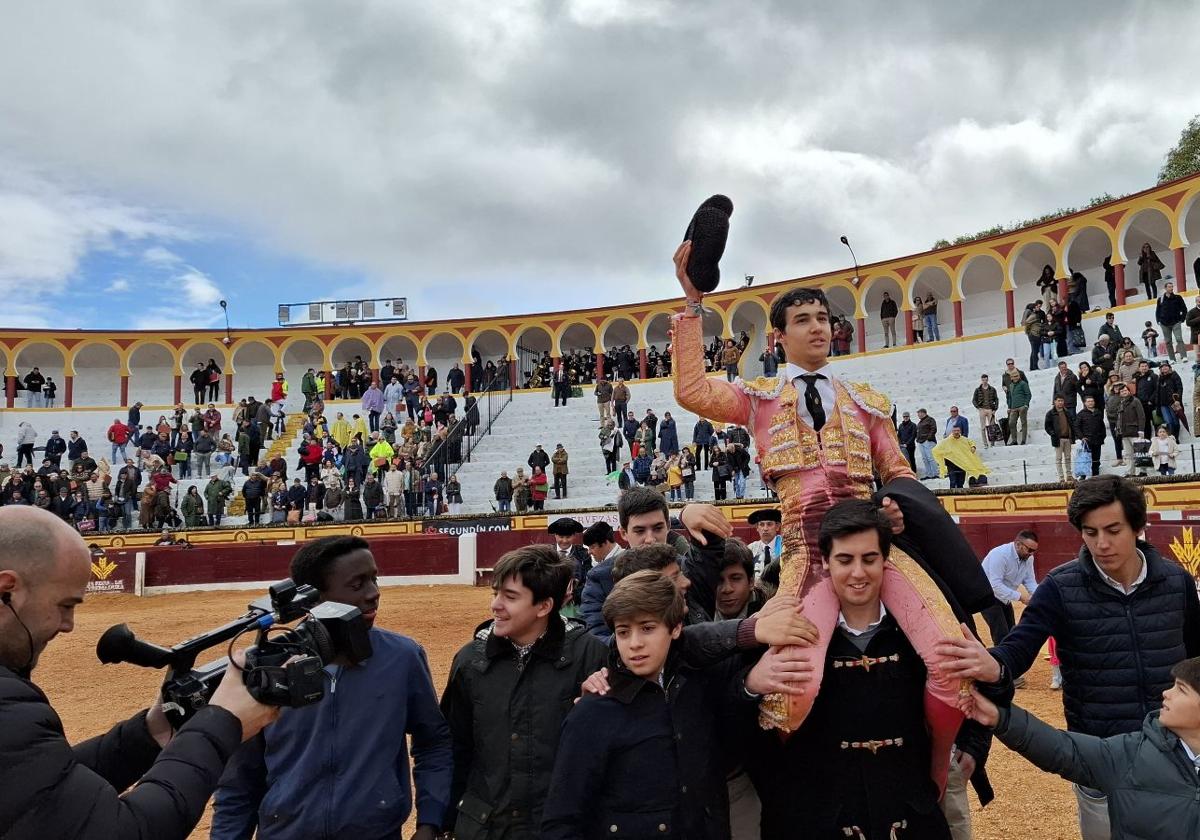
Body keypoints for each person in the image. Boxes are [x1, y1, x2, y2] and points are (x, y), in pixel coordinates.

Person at [671, 245, 995, 770]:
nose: (818, 328)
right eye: (803, 320)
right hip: (807, 555)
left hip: (873, 549)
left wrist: (894, 504)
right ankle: (793, 786)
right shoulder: (758, 398)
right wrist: (692, 305)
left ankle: (934, 775)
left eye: (823, 318)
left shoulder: (865, 401)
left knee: (951, 657)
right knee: (793, 687)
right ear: (779, 337)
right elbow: (690, 389)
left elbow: (899, 472)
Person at [937, 475, 1200, 840]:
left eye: (1113, 530)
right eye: (1090, 533)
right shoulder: (1060, 587)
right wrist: (995, 665)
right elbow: (1020, 646)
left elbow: (1195, 664)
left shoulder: (1177, 582)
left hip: (1173, 753)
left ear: (1139, 527)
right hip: (1100, 755)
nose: (1101, 544)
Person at [0, 506, 279, 840]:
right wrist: (221, 723)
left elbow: (41, 788)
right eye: (65, 605)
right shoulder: (10, 707)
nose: (68, 625)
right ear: (7, 590)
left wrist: (150, 735)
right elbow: (125, 833)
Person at [744, 500, 994, 840]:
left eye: (869, 559)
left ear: (885, 561)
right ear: (824, 562)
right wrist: (749, 685)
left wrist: (974, 745)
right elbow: (745, 725)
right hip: (821, 817)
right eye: (845, 560)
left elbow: (982, 689)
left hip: (910, 811)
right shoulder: (787, 633)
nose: (858, 573)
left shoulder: (920, 631)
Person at [212, 536, 452, 840]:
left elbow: (433, 743)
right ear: (314, 599)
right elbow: (239, 780)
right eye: (357, 585)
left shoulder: (403, 658)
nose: (374, 593)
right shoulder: (264, 668)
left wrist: (430, 822)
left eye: (374, 579)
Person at [542, 571, 732, 840]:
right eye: (623, 632)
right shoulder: (592, 711)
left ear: (675, 628)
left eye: (647, 628)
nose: (634, 644)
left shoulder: (698, 689)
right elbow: (562, 819)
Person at [440, 546, 608, 839]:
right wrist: (444, 821)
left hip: (564, 828)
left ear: (544, 606)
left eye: (510, 597)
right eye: (496, 593)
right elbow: (455, 748)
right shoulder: (469, 661)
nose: (495, 605)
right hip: (486, 828)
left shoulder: (591, 656)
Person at [967, 656, 1200, 837]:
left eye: (1181, 689)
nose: (1166, 693)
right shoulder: (1132, 754)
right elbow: (1065, 750)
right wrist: (1002, 718)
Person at [979, 531, 1039, 649]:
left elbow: (1029, 580)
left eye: (1034, 551)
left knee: (1012, 633)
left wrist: (1038, 595)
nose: (1031, 554)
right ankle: (1002, 664)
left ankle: (1006, 661)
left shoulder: (1028, 558)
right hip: (988, 597)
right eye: (1029, 550)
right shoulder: (1000, 555)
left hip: (1004, 598)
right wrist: (1021, 597)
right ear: (1018, 544)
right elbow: (995, 585)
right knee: (1001, 635)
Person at [548, 517, 592, 612]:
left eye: (568, 537)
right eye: (561, 537)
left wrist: (573, 595)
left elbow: (588, 579)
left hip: (576, 604)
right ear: (555, 536)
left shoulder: (583, 554)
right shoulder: (546, 553)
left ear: (574, 536)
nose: (564, 541)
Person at [1044, 396, 1077, 483]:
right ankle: (1061, 477)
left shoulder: (1067, 412)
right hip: (1058, 439)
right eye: (1059, 401)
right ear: (1055, 402)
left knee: (1068, 458)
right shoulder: (1050, 413)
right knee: (1059, 458)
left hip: (1067, 438)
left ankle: (1069, 475)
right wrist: (1053, 434)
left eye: (1062, 400)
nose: (1060, 402)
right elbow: (1047, 426)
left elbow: (1072, 424)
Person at [1074, 395, 1107, 478]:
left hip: (1097, 440)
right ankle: (1083, 476)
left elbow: (1102, 425)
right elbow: (1076, 426)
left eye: (1092, 401)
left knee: (1096, 459)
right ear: (1085, 403)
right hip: (1087, 441)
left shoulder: (1098, 412)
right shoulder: (1081, 414)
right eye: (1088, 401)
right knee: (1085, 459)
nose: (1090, 403)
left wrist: (1103, 436)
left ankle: (1096, 476)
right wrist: (1081, 437)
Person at [1156, 280, 1188, 362]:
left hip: (1176, 322)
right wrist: (1158, 320)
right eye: (1169, 287)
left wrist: (1182, 319)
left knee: (1179, 339)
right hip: (1164, 323)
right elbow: (1158, 311)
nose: (1171, 288)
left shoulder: (1178, 297)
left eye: (1172, 287)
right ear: (1165, 288)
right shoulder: (1161, 299)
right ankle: (1172, 359)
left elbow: (1184, 309)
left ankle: (1183, 356)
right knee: (1168, 341)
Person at [746, 508, 782, 577]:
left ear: (777, 527)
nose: (765, 529)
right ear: (757, 528)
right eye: (762, 525)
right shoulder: (750, 549)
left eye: (769, 524)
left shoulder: (784, 547)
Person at [971, 375, 999, 449]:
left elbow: (996, 399)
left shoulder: (992, 389)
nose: (984, 381)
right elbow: (974, 400)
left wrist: (995, 409)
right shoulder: (978, 390)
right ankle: (985, 444)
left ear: (988, 380)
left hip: (990, 409)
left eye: (986, 380)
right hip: (982, 409)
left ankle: (992, 443)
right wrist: (978, 407)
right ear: (981, 380)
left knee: (992, 427)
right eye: (983, 380)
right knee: (983, 427)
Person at [1005, 369, 1031, 445]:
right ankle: (1014, 440)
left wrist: (1026, 405)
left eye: (1017, 376)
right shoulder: (1011, 385)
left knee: (1023, 423)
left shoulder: (1023, 384)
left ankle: (1023, 440)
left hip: (1022, 406)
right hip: (1013, 408)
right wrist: (1009, 407)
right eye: (1014, 376)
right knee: (1011, 423)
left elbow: (1028, 394)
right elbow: (1009, 397)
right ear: (1011, 377)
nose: (1016, 377)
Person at [915, 407, 938, 478]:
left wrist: (928, 438)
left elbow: (934, 429)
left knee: (930, 458)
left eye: (919, 413)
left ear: (923, 413)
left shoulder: (930, 419)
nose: (918, 415)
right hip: (921, 442)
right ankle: (929, 474)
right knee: (925, 458)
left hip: (928, 441)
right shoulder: (921, 422)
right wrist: (917, 438)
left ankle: (935, 473)